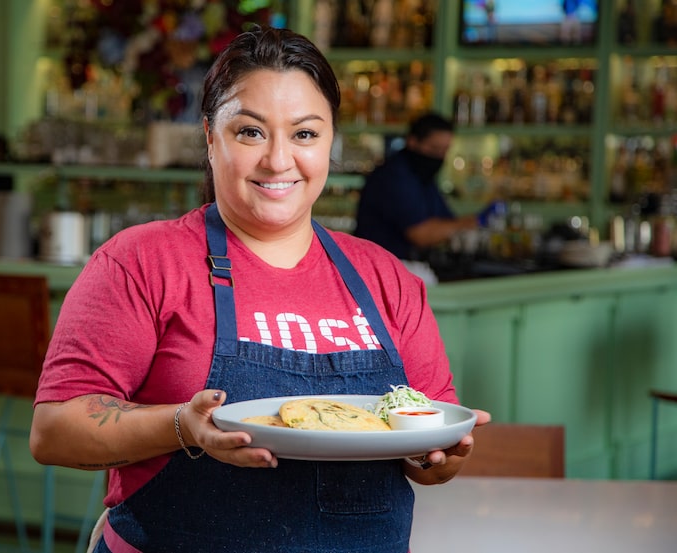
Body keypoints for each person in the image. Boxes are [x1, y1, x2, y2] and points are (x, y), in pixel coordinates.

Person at [30, 26, 490, 553]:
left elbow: (428, 457)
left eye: (305, 134)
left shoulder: (386, 279)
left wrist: (439, 455)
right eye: (250, 132)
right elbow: (55, 430)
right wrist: (182, 425)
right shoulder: (141, 261)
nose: (277, 160)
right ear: (209, 136)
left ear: (330, 141)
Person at [354, 112, 504, 264]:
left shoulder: (423, 176)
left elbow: (445, 220)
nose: (439, 156)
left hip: (403, 267)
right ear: (412, 142)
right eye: (434, 149)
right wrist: (475, 220)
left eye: (444, 150)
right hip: (376, 269)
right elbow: (421, 234)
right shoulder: (394, 176)